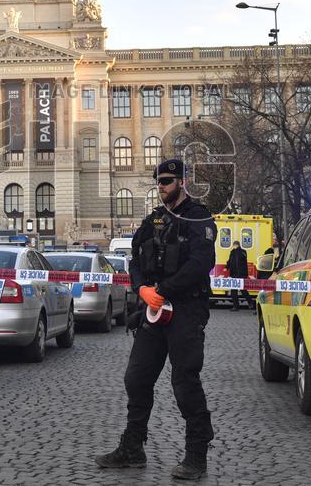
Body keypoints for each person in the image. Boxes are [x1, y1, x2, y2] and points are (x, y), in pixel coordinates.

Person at [96, 158, 215, 481]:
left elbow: (201, 263)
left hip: (186, 310)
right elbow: (135, 259)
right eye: (159, 182)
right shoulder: (155, 219)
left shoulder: (198, 217)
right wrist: (143, 289)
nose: (161, 187)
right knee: (136, 378)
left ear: (182, 182)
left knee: (185, 381)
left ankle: (196, 453)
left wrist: (162, 289)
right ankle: (133, 447)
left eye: (167, 181)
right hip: (153, 309)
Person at [226, 240, 253, 311]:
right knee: (233, 291)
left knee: (243, 290)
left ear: (237, 245)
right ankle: (235, 306)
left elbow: (243, 257)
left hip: (241, 274)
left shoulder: (242, 251)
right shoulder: (232, 252)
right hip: (234, 274)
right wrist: (227, 267)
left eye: (234, 245)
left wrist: (237, 250)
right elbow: (229, 261)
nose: (234, 246)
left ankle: (250, 303)